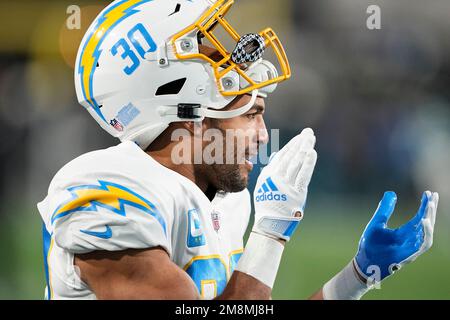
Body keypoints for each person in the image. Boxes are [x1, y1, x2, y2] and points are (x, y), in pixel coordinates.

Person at [38, 0, 439, 300]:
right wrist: (269, 236)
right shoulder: (105, 187)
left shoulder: (227, 201)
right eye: (250, 114)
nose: (263, 136)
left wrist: (356, 277)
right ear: (173, 95)